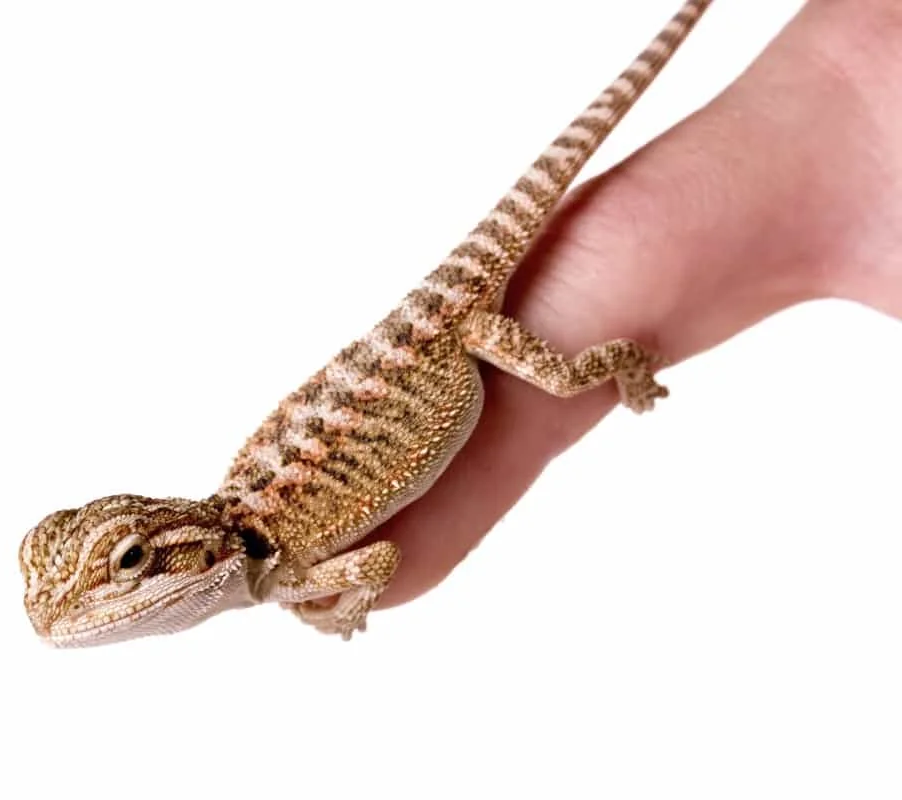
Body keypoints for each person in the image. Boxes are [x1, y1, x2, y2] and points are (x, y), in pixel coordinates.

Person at [371, 0, 902, 607]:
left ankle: (627, 359)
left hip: (455, 336)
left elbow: (381, 559)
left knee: (564, 379)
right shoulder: (272, 558)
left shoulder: (276, 564)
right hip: (430, 348)